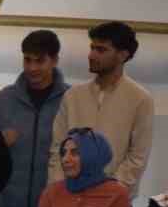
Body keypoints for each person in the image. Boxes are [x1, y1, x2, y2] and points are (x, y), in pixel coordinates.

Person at [46, 22, 154, 197]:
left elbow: (137, 158)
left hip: (113, 201)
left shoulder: (140, 99)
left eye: (101, 50)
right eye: (92, 48)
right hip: (69, 199)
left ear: (123, 55)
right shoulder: (73, 96)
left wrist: (106, 194)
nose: (91, 55)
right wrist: (59, 193)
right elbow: (58, 149)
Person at [0, 30, 70, 207]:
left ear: (54, 60)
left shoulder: (71, 101)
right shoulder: (3, 100)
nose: (32, 68)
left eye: (40, 61)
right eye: (27, 60)